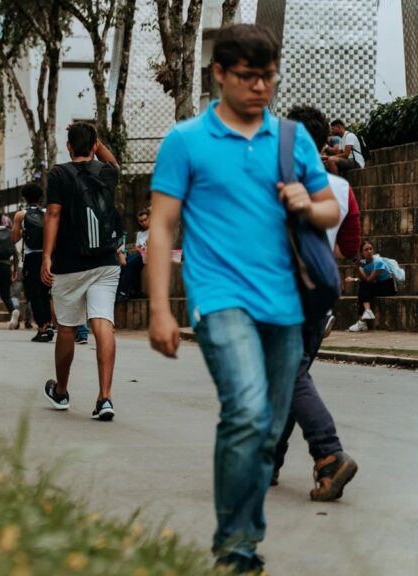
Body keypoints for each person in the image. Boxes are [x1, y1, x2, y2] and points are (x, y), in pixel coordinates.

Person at [147, 25, 339, 573]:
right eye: (248, 77)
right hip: (220, 298)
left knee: (265, 431)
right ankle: (233, 547)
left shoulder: (291, 139)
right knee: (247, 412)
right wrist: (161, 309)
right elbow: (162, 227)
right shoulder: (185, 141)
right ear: (220, 75)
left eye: (269, 77)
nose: (260, 87)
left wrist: (307, 201)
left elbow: (331, 210)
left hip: (288, 304)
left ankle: (245, 541)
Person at [272, 104, 361, 502]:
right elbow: (351, 248)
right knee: (291, 377)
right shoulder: (341, 190)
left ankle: (329, 454)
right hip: (319, 298)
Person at [40, 122, 122, 421]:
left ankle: (61, 391)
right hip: (106, 259)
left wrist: (46, 255)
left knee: (67, 326)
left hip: (69, 263)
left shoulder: (59, 173)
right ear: (95, 144)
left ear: (69, 147)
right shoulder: (107, 173)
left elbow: (53, 213)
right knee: (103, 322)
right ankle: (105, 398)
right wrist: (98, 144)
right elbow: (114, 162)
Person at [12, 183, 53, 342]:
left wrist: (24, 231)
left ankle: (41, 329)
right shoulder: (48, 212)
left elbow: (14, 239)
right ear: (41, 197)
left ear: (25, 198)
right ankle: (49, 325)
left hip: (31, 258)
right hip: (48, 257)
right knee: (46, 292)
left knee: (34, 294)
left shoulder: (21, 215)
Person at [346, 241, 399, 332]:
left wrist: (354, 279)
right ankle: (366, 314)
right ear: (362, 253)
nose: (369, 251)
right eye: (366, 250)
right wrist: (357, 267)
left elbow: (369, 280)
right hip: (377, 284)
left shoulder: (378, 261)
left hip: (388, 286)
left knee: (364, 287)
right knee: (363, 291)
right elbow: (364, 277)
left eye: (371, 249)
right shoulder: (363, 263)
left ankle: (362, 321)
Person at [117, 208, 151, 301]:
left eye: (145, 220)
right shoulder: (140, 233)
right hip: (141, 255)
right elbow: (137, 247)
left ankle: (123, 292)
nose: (143, 222)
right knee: (126, 261)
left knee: (129, 263)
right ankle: (132, 291)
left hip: (150, 256)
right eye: (141, 221)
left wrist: (142, 247)